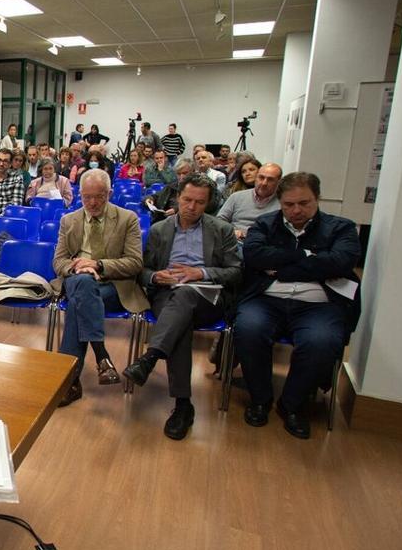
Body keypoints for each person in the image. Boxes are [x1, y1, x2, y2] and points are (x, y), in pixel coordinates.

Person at [235, 172, 361, 439]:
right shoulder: (265, 224)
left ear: (318, 199)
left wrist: (281, 267)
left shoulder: (342, 228)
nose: (296, 210)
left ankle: (292, 404)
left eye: (304, 203)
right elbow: (254, 255)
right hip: (267, 298)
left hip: (319, 303)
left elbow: (341, 262)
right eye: (289, 205)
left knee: (322, 341)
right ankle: (260, 400)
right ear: (280, 202)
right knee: (248, 329)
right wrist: (309, 258)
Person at [121, 174, 241, 440]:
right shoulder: (160, 229)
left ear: (208, 203)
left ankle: (150, 357)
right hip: (167, 293)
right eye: (187, 199)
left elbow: (236, 271)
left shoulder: (220, 230)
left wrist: (202, 273)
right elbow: (143, 271)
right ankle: (183, 405)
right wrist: (155, 277)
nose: (192, 207)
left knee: (185, 297)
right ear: (178, 197)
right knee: (180, 323)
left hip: (208, 297)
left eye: (200, 202)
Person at [52, 169, 148, 406]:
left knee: (78, 301)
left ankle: (69, 380)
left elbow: (135, 263)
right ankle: (101, 356)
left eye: (99, 196)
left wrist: (99, 265)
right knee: (83, 285)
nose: (93, 203)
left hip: (113, 286)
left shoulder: (127, 219)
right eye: (87, 197)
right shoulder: (69, 220)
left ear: (110, 193)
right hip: (78, 280)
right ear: (79, 195)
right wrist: (78, 268)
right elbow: (58, 262)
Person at [218, 162, 283, 240]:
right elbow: (219, 221)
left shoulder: (283, 203)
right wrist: (232, 231)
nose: (264, 183)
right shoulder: (237, 197)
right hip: (235, 241)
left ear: (279, 182)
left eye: (270, 179)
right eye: (261, 177)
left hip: (264, 244)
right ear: (256, 178)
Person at [145, 158, 195, 222]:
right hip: (164, 221)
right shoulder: (171, 186)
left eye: (185, 173)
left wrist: (176, 210)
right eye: (179, 174)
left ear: (193, 172)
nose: (181, 177)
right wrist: (149, 199)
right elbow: (156, 196)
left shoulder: (197, 189)